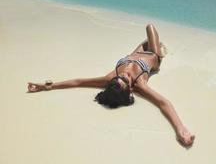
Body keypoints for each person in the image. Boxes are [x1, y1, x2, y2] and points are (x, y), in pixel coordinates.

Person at [27, 24, 195, 147]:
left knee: (147, 36)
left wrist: (46, 86)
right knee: (150, 27)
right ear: (130, 89)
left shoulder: (110, 78)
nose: (124, 75)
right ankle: (161, 52)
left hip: (137, 51)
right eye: (126, 80)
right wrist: (181, 130)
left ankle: (160, 47)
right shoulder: (140, 84)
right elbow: (163, 103)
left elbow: (78, 82)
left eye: (120, 77)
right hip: (152, 55)